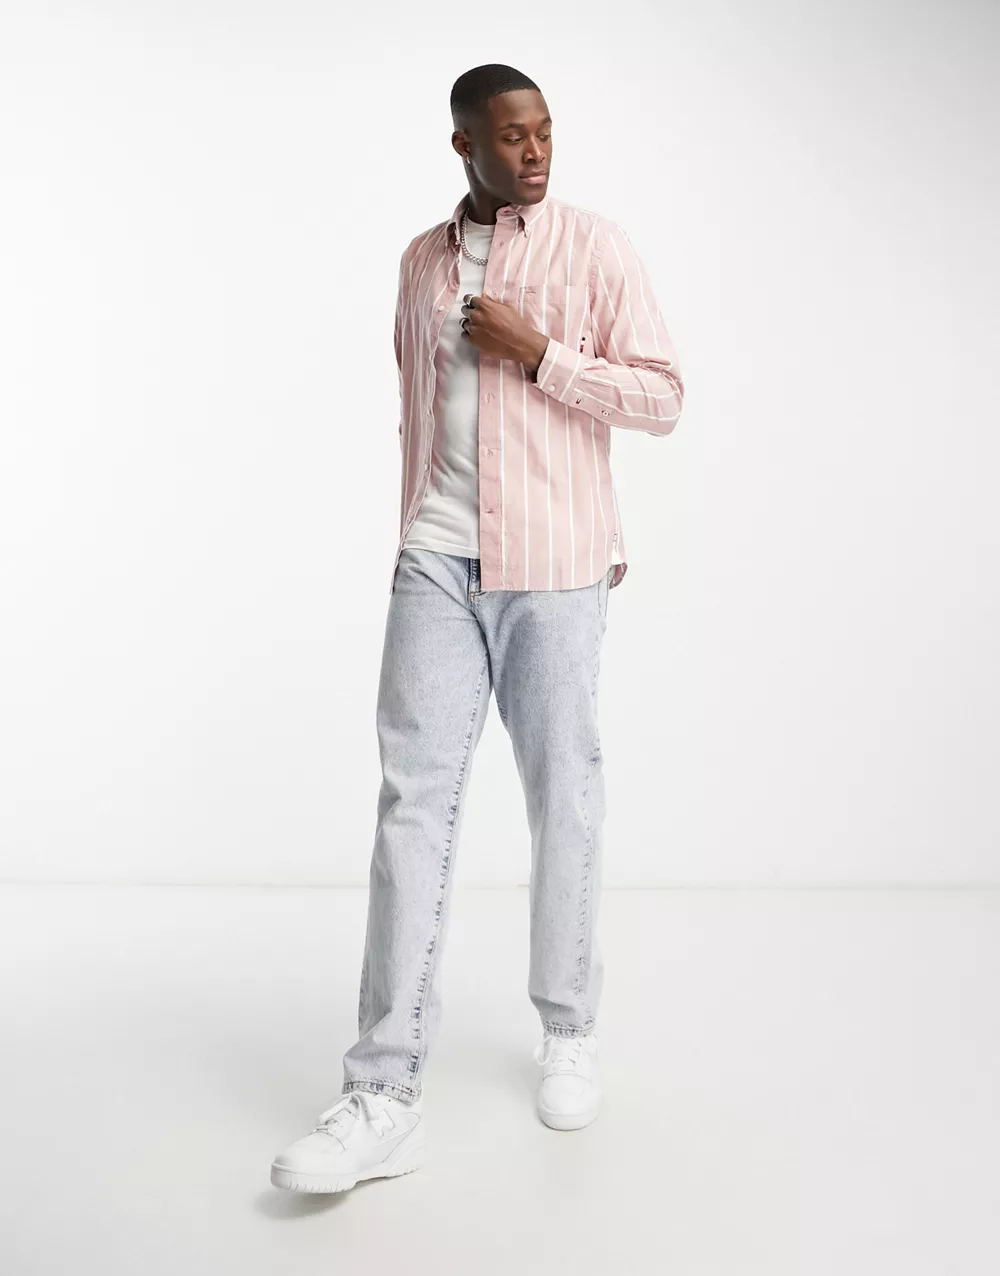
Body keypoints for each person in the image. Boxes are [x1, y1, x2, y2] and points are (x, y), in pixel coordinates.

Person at [271, 62, 684, 1194]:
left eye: (545, 131)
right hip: (436, 564)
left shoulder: (595, 248)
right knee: (412, 805)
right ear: (465, 144)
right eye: (511, 135)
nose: (535, 151)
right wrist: (416, 528)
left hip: (555, 570)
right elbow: (421, 407)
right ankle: (384, 1092)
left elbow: (662, 395)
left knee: (564, 794)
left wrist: (540, 353)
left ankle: (569, 1029)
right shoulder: (420, 260)